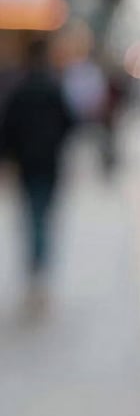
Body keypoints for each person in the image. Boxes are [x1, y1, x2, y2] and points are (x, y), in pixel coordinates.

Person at [0, 39, 74, 301]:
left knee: (32, 214)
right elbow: (70, 122)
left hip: (26, 164)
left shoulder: (19, 90)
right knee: (43, 214)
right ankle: (40, 264)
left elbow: (7, 128)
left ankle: (35, 264)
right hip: (49, 163)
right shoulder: (54, 88)